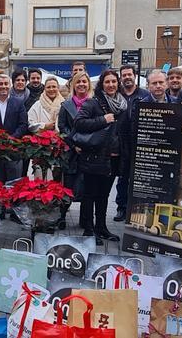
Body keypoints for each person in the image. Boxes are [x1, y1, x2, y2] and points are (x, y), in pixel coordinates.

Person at [73, 70, 127, 246]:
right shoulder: (93, 103)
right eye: (107, 82)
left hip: (113, 158)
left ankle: (102, 227)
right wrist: (102, 120)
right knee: (90, 195)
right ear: (101, 85)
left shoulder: (123, 104)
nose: (111, 85)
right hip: (94, 157)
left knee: (104, 195)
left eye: (113, 81)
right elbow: (79, 123)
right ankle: (89, 230)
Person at [113, 65, 151, 221]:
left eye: (129, 74)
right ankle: (121, 207)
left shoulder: (145, 95)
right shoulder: (117, 94)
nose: (127, 77)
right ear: (121, 78)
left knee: (139, 178)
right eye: (124, 75)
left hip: (140, 141)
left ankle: (135, 209)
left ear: (135, 76)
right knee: (122, 178)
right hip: (121, 142)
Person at [58, 71, 92, 230]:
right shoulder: (66, 105)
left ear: (89, 84)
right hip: (71, 152)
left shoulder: (95, 103)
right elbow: (62, 128)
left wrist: (87, 143)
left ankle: (85, 219)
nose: (81, 85)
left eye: (84, 82)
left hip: (90, 152)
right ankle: (62, 216)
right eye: (78, 82)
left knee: (87, 188)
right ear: (73, 85)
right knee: (68, 186)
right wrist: (75, 143)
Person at [28, 77, 65, 172]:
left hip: (59, 147)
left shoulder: (65, 104)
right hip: (41, 147)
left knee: (57, 178)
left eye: (54, 86)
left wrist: (56, 131)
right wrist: (44, 126)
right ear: (45, 89)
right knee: (41, 177)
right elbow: (30, 123)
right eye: (48, 87)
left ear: (58, 88)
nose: (51, 89)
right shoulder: (37, 104)